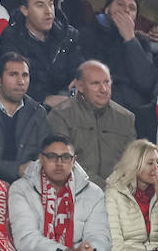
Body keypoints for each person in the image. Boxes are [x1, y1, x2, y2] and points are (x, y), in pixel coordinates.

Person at [9, 134, 122, 251]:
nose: (59, 163)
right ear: (41, 158)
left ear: (74, 160)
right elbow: (26, 239)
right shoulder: (22, 188)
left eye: (66, 157)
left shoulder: (92, 192)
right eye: (52, 157)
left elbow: (100, 235)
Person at [47, 60, 137, 188]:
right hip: (75, 191)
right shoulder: (60, 116)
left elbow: (132, 163)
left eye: (107, 82)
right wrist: (104, 188)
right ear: (80, 86)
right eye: (95, 83)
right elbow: (64, 163)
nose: (104, 89)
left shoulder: (126, 118)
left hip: (118, 194)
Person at [0, 0, 85, 107]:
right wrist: (44, 99)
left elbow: (79, 69)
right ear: (25, 10)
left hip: (67, 105)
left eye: (50, 4)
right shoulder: (12, 38)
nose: (48, 11)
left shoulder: (68, 35)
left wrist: (80, 81)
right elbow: (12, 83)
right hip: (29, 108)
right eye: (40, 5)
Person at [78, 0, 158, 110]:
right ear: (107, 10)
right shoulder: (87, 35)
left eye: (132, 8)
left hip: (134, 109)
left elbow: (145, 82)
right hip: (99, 103)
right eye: (120, 4)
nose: (126, 10)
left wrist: (130, 39)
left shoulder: (141, 42)